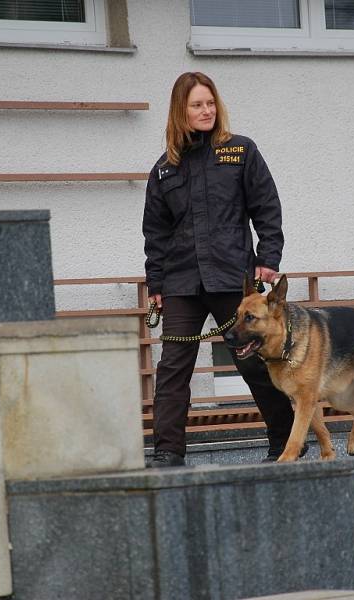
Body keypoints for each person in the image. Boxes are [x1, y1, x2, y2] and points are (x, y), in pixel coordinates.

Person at [142, 71, 301, 467]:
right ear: (181, 110)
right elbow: (155, 233)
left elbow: (267, 207)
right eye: (197, 105)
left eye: (210, 103)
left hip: (233, 277)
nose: (206, 110)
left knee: (254, 362)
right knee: (173, 367)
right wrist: (157, 283)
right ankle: (167, 451)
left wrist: (269, 257)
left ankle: (285, 445)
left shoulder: (240, 151)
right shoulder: (164, 169)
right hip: (181, 283)